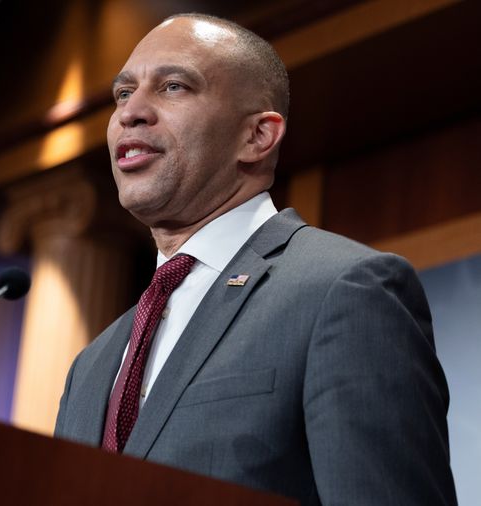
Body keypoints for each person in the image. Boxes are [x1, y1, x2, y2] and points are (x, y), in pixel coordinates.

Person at [53, 13, 456, 505]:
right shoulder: (91, 366)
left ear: (258, 136)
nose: (130, 113)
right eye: (122, 93)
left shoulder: (344, 291)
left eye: (174, 87)